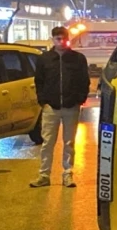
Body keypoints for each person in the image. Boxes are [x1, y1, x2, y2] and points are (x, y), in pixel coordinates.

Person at [31, 26, 89, 188]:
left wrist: (79, 99)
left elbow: (84, 80)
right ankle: (44, 175)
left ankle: (68, 174)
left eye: (63, 38)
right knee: (47, 142)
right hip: (51, 107)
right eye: (57, 38)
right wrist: (43, 100)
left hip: (71, 106)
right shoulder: (45, 59)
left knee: (69, 142)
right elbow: (39, 81)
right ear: (52, 39)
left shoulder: (78, 59)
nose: (61, 41)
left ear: (67, 38)